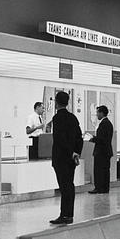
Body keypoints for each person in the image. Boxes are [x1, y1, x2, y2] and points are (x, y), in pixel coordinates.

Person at [49, 90, 83, 225]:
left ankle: (65, 215)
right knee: (70, 185)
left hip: (61, 157)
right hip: (71, 159)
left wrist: (69, 152)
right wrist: (76, 152)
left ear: (56, 103)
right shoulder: (73, 118)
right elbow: (78, 138)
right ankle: (69, 214)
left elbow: (60, 139)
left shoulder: (57, 118)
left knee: (64, 187)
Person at [89, 105, 114, 194]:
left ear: (102, 113)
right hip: (106, 151)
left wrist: (93, 139)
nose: (97, 115)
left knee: (99, 170)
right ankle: (104, 188)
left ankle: (99, 187)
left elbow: (102, 139)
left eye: (98, 113)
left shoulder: (104, 124)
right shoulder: (108, 123)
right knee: (105, 170)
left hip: (101, 152)